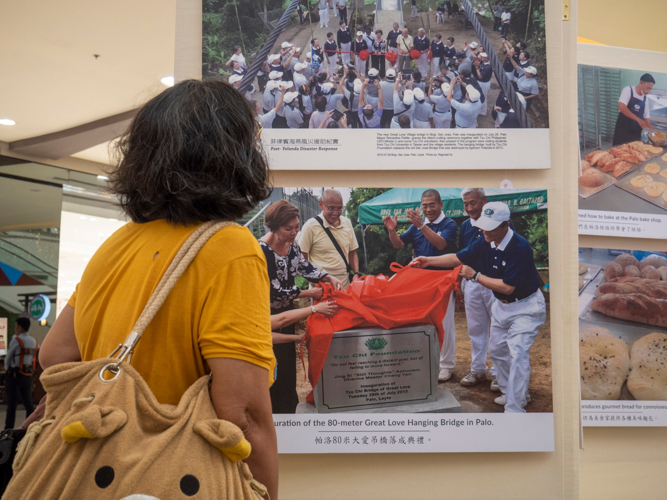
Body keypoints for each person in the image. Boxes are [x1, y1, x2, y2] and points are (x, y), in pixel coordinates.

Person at [39, 79, 279, 497]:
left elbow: (54, 354)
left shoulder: (117, 243)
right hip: (177, 477)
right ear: (236, 156)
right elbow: (244, 415)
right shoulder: (230, 247)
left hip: (91, 474)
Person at [412, 202, 546, 414]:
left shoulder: (519, 248)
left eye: (490, 227)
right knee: (497, 351)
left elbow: (508, 287)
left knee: (518, 353)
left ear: (506, 226)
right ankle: (511, 393)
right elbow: (457, 257)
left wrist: (475, 276)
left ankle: (515, 409)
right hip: (502, 307)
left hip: (526, 307)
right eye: (483, 225)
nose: (484, 230)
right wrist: (428, 261)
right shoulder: (486, 240)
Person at [259, 200, 342, 417]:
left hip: (289, 313)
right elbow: (274, 291)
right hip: (267, 315)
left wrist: (327, 276)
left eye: (297, 227)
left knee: (286, 366)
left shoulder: (292, 245)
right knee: (270, 367)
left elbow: (306, 268)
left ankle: (288, 411)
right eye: (289, 229)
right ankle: (272, 414)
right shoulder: (261, 252)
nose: (294, 232)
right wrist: (307, 297)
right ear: (273, 227)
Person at [383, 190, 458, 381]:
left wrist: (422, 225)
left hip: (442, 280)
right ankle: (426, 359)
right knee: (421, 319)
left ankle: (447, 365)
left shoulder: (449, 224)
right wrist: (392, 230)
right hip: (419, 281)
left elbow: (441, 245)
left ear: (441, 204)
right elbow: (399, 244)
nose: (428, 209)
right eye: (424, 205)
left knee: (445, 322)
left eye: (432, 205)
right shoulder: (416, 226)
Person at [456, 189, 500, 391]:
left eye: (473, 203)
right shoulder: (465, 225)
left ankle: (500, 373)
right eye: (466, 204)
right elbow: (462, 256)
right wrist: (458, 283)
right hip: (472, 283)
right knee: (475, 328)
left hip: (494, 282)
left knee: (498, 328)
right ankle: (478, 369)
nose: (469, 208)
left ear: (484, 201)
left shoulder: (499, 221)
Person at [299, 189, 361, 290]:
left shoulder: (347, 223)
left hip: (345, 287)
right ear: (321, 204)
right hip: (322, 289)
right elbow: (301, 259)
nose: (336, 213)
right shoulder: (310, 226)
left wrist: (356, 273)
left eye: (339, 208)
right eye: (331, 208)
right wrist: (313, 282)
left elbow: (352, 252)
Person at [4, 317, 37, 430]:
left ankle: (8, 429)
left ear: (19, 327)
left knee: (12, 404)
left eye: (16, 326)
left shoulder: (16, 340)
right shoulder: (34, 341)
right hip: (28, 375)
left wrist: (7, 369)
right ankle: (29, 426)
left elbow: (8, 358)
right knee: (28, 403)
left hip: (15, 375)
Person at [612, 73, 656, 145]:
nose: (648, 91)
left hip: (635, 133)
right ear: (641, 82)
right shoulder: (628, 90)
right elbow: (622, 107)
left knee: (634, 152)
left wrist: (652, 132)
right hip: (622, 130)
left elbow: (646, 118)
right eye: (647, 88)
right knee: (619, 152)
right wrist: (638, 119)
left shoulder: (645, 99)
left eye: (650, 89)